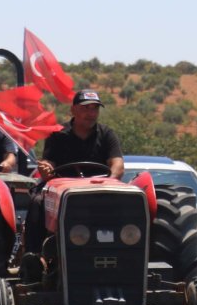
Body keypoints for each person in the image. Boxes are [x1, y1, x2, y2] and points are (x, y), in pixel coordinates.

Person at [24, 90, 124, 255]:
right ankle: (33, 255)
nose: (91, 114)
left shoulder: (107, 134)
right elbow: (48, 163)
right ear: (73, 110)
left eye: (95, 109)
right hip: (63, 191)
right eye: (86, 108)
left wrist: (110, 182)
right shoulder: (57, 134)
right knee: (37, 202)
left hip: (98, 190)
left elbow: (117, 164)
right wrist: (46, 168)